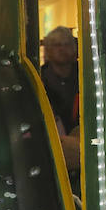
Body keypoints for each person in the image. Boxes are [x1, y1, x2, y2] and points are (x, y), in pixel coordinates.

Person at [38, 27, 81, 173]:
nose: (62, 49)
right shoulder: (39, 80)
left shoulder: (86, 78)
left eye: (67, 44)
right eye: (57, 45)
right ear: (48, 51)